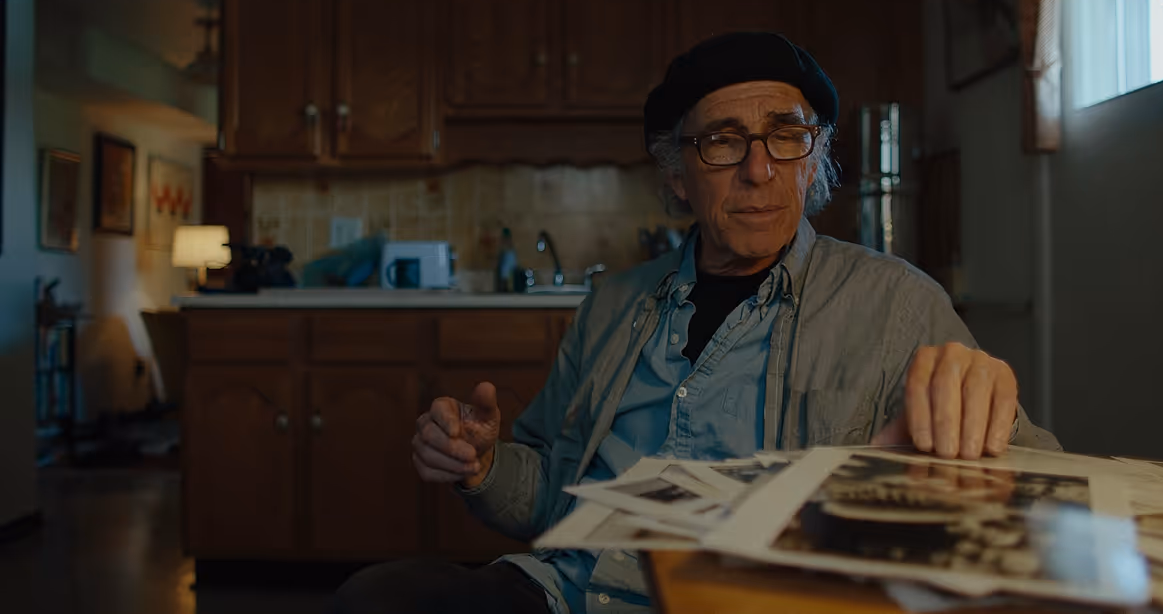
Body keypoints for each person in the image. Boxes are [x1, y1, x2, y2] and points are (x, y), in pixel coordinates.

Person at [329, 32, 1060, 614]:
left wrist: (981, 418)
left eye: (785, 136)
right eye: (721, 141)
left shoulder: (898, 302)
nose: (758, 168)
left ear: (815, 162)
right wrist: (484, 467)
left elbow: (1034, 490)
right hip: (567, 592)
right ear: (678, 174)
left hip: (748, 599)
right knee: (377, 596)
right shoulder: (612, 304)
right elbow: (554, 488)